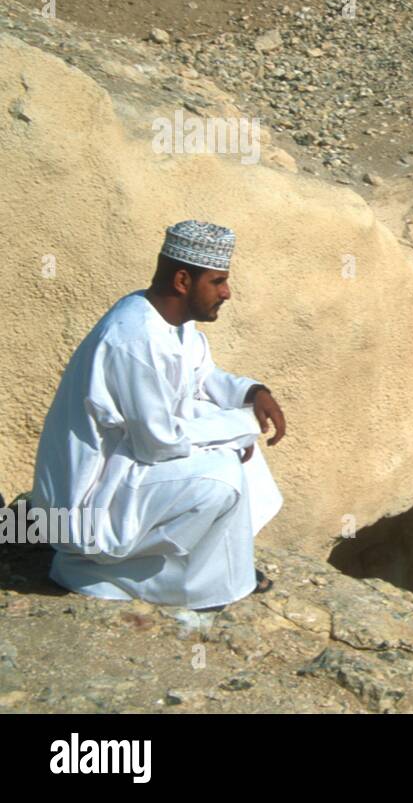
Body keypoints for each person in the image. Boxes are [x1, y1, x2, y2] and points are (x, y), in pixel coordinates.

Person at [30, 220, 287, 611]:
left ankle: (218, 572)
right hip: (88, 504)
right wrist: (239, 429)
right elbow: (159, 443)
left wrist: (251, 393)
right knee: (222, 478)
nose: (227, 293)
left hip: (127, 468)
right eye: (217, 282)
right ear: (183, 280)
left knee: (240, 456)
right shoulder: (134, 340)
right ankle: (106, 570)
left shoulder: (173, 325)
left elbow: (202, 376)